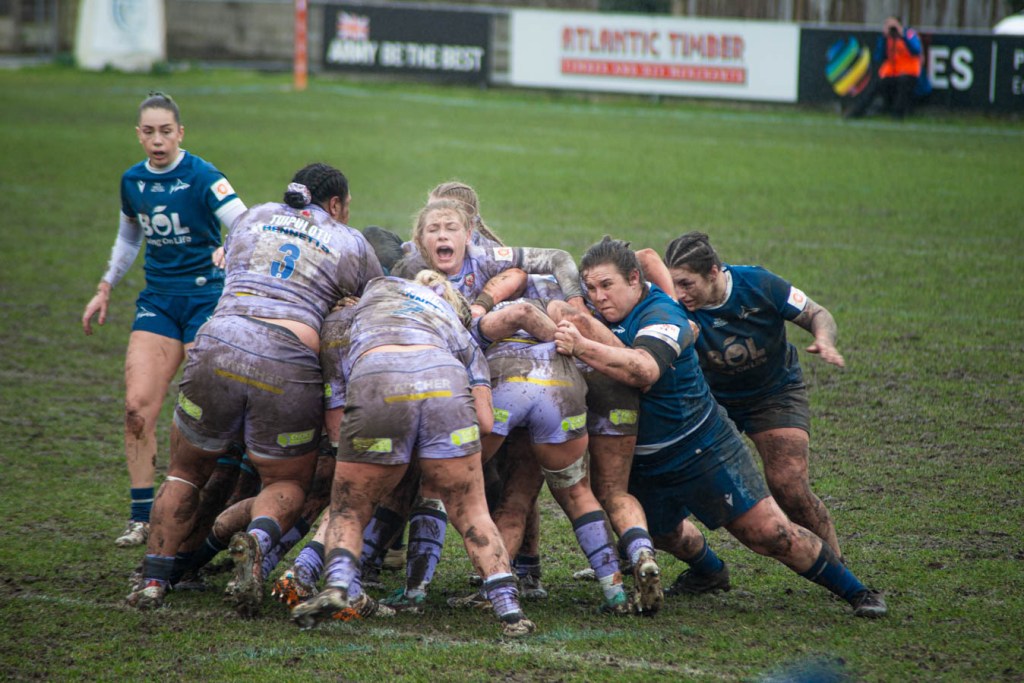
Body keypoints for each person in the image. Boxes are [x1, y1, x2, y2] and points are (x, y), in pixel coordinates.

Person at [553, 237, 887, 618]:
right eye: (591, 288)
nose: (599, 297)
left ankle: (858, 591)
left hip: (699, 446)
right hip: (641, 462)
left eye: (607, 286)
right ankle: (710, 572)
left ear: (634, 280)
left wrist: (580, 345)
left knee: (769, 534)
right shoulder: (596, 311)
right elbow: (623, 261)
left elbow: (643, 369)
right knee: (665, 534)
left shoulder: (663, 314)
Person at [126, 162, 384, 615]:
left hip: (219, 342)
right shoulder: (350, 240)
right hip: (286, 359)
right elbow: (376, 307)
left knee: (185, 471)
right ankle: (259, 541)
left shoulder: (251, 216)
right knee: (285, 480)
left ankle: (152, 579)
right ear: (337, 204)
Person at [289, 271, 536, 638]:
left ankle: (338, 586)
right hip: (444, 381)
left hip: (380, 375)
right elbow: (485, 422)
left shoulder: (374, 289)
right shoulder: (459, 330)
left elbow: (337, 395)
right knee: (471, 511)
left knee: (350, 507)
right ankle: (510, 611)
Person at [81, 91, 247, 548]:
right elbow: (128, 238)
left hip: (205, 300)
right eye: (149, 132)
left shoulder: (203, 176)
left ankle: (211, 509)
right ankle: (140, 516)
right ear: (139, 135)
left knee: (210, 414)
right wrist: (105, 287)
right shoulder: (132, 182)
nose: (158, 140)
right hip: (157, 303)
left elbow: (245, 223)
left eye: (166, 131)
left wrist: (228, 247)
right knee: (137, 409)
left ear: (180, 133)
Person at [636, 233, 845, 581]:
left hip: (772, 394)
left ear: (715, 272)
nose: (680, 294)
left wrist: (823, 339)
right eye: (674, 284)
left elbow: (815, 313)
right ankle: (643, 555)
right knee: (658, 486)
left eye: (687, 284)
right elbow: (642, 259)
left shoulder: (759, 284)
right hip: (710, 403)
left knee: (788, 483)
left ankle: (837, 565)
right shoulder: (675, 308)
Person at [843, 16, 925, 120]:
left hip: (908, 72)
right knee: (874, 85)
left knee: (904, 84)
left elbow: (916, 50)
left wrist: (902, 35)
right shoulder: (887, 38)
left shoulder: (908, 34)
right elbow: (878, 56)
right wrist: (884, 38)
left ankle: (897, 115)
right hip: (891, 73)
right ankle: (856, 112)